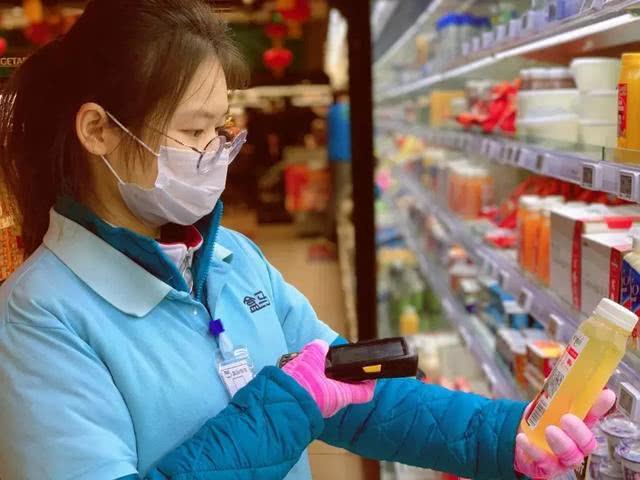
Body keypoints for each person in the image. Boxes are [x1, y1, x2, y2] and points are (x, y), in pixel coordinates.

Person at [0, 1, 612, 479]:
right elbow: (304, 395)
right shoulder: (37, 320)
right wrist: (290, 402)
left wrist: (509, 435)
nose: (215, 153)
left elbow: (355, 393)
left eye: (220, 129)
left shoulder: (234, 260)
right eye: (192, 131)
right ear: (98, 130)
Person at [324, 90, 352, 243]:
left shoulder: (332, 111)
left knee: (337, 192)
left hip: (335, 156)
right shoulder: (346, 110)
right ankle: (333, 232)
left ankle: (331, 231)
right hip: (345, 156)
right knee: (341, 193)